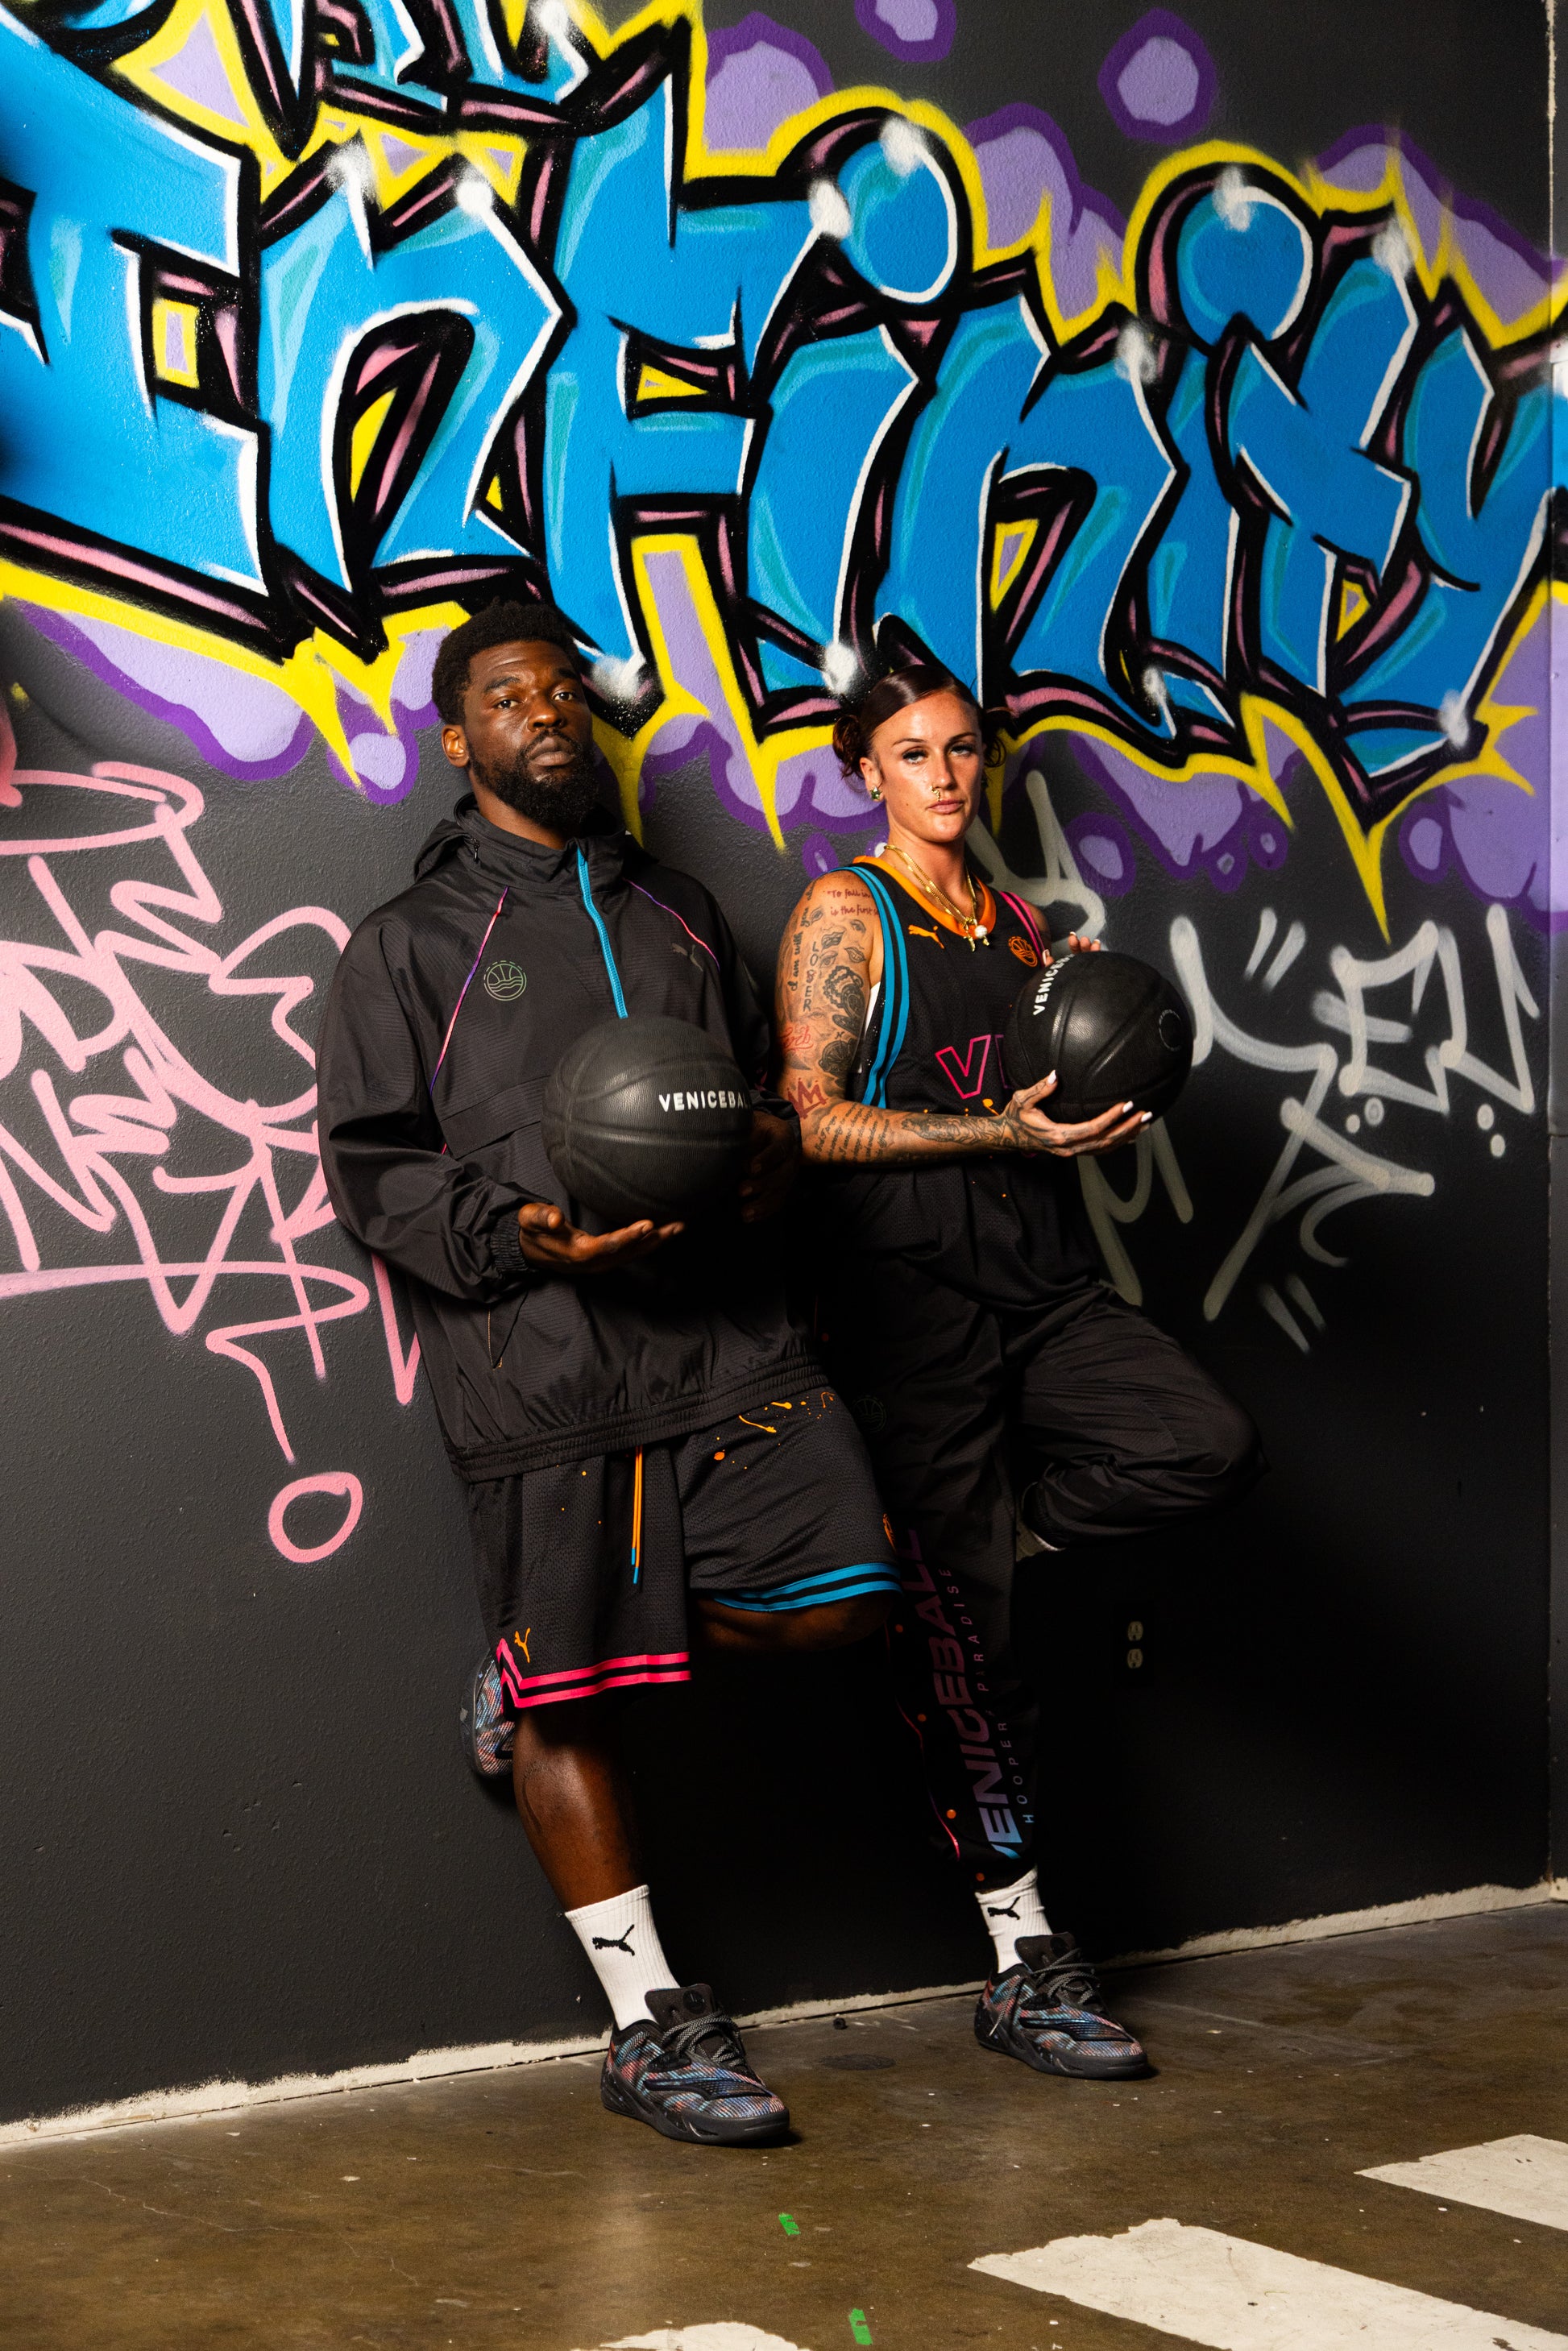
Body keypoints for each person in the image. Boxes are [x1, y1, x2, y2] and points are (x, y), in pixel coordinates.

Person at [316, 602, 902, 2147]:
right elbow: (373, 1169)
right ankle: (649, 2024)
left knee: (850, 1591)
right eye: (509, 695)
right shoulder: (408, 945)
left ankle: (530, 1664)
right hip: (547, 1365)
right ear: (461, 739)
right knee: (579, 1702)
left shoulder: (685, 912)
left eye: (564, 688)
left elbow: (752, 1103)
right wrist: (519, 1231)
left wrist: (769, 1156)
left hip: (730, 1341)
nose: (547, 710)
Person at [775, 661, 1263, 2082]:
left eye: (959, 748)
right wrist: (999, 1131)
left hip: (1042, 1290)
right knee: (972, 1660)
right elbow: (810, 1122)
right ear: (864, 771)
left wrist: (1095, 1082)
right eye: (909, 752)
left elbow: (1053, 1095)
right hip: (910, 1316)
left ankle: (1007, 1533)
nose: (941, 775)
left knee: (1206, 1441)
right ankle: (1023, 1960)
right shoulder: (844, 914)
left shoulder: (1025, 929)